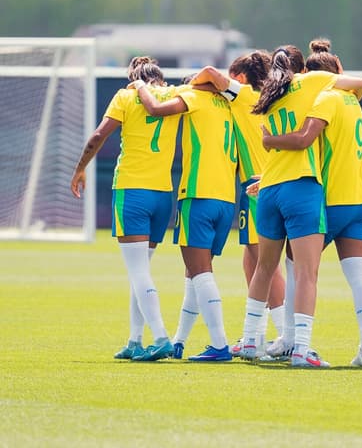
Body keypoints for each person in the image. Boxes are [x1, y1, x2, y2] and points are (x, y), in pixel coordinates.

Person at [239, 45, 362, 368]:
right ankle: (301, 350)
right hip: (302, 187)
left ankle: (250, 341)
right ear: (301, 68)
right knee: (307, 273)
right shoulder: (312, 83)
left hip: (269, 190)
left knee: (264, 268)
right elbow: (360, 83)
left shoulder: (268, 97)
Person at [70, 56, 176, 362]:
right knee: (139, 271)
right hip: (162, 195)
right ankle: (134, 340)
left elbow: (98, 136)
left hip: (132, 191)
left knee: (138, 272)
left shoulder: (127, 96)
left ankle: (160, 338)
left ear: (134, 77)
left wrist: (80, 169)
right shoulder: (175, 96)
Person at [135, 67, 238, 362]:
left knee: (201, 274)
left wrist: (140, 85)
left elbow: (154, 109)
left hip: (198, 195)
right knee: (194, 273)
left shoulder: (193, 97)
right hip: (225, 200)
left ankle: (220, 345)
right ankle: (180, 340)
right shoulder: (227, 104)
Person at [189, 53, 287, 358]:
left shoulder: (243, 95)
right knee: (251, 262)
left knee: (266, 264)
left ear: (240, 77)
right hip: (263, 184)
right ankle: (255, 338)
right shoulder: (267, 99)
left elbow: (206, 70)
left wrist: (187, 89)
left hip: (259, 185)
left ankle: (286, 336)